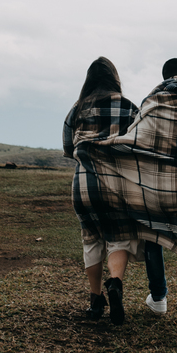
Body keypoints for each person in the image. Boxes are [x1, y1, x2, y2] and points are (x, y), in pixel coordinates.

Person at [90, 58, 177, 345]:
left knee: (152, 237)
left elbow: (134, 139)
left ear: (165, 76)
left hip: (153, 190)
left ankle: (158, 298)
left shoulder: (152, 102)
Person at [62, 56, 151, 325]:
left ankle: (95, 301)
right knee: (120, 237)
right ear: (115, 79)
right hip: (118, 184)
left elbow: (68, 148)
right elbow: (140, 146)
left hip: (84, 185)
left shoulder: (77, 109)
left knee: (91, 239)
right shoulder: (129, 107)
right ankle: (115, 283)